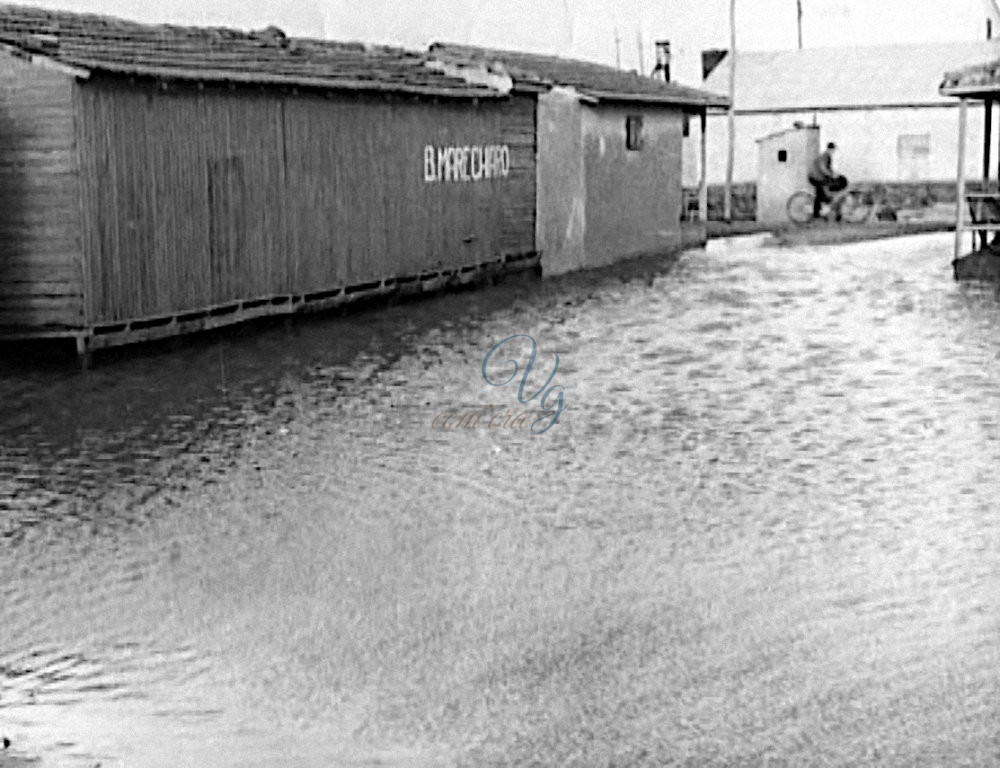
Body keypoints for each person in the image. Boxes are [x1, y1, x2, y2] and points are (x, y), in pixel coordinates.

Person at [808, 142, 848, 220]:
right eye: (833, 150)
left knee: (828, 191)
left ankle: (824, 210)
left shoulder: (827, 156)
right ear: (830, 149)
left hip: (819, 176)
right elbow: (823, 168)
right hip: (815, 177)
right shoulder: (825, 156)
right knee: (820, 194)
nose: (834, 152)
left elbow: (828, 168)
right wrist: (831, 174)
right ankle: (816, 213)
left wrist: (834, 174)